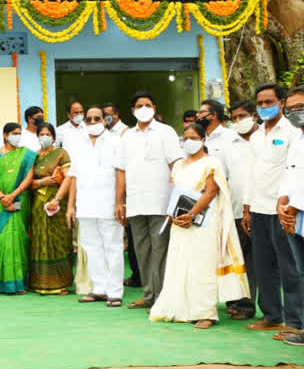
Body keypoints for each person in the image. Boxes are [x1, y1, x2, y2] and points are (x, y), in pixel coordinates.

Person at [150, 124, 249, 328]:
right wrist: (175, 216)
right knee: (179, 263)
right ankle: (177, 307)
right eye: (185, 138)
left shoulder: (211, 162)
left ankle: (206, 313)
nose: (188, 142)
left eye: (193, 137)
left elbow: (211, 192)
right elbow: (177, 193)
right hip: (180, 223)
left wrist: (192, 214)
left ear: (203, 140)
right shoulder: (179, 165)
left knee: (202, 266)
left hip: (204, 221)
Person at [243, 83, 303, 338]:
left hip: (282, 210)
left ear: (281, 103)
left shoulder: (292, 132)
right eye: (261, 103)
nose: (265, 107)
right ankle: (271, 315)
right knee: (263, 264)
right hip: (257, 208)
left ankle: (295, 320)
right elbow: (251, 173)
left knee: (289, 267)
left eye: (270, 102)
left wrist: (288, 204)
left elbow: (294, 172)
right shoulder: (256, 135)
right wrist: (246, 207)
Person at [115, 92, 182, 310]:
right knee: (142, 251)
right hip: (135, 203)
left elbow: (176, 165)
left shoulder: (166, 132)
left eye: (147, 104)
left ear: (154, 107)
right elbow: (121, 171)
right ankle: (148, 294)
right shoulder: (127, 136)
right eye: (139, 105)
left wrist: (177, 199)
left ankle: (161, 297)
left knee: (160, 250)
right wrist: (119, 202)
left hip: (161, 202)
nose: (143, 108)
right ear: (132, 111)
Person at [53, 107, 124, 306]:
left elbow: (121, 173)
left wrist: (119, 202)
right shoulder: (78, 143)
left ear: (105, 119)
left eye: (97, 118)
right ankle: (99, 289)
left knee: (113, 247)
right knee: (91, 248)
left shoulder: (116, 141)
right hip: (85, 204)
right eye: (89, 119)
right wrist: (70, 206)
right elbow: (73, 176)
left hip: (109, 204)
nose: (93, 122)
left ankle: (115, 292)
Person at [0, 122, 37, 294]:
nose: (17, 136)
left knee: (19, 240)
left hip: (19, 200)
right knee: (2, 242)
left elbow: (29, 177)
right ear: (5, 135)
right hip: (0, 202)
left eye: (19, 133)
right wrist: (2, 196)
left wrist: (12, 195)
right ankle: (1, 284)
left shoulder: (27, 154)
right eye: (14, 133)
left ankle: (19, 284)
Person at [221, 100, 259, 320]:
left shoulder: (263, 139)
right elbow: (223, 178)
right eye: (234, 118)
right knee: (242, 260)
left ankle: (266, 307)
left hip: (264, 210)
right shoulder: (229, 144)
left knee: (262, 262)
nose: (238, 121)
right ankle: (243, 303)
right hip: (235, 210)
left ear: (254, 116)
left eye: (242, 116)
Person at [28, 123, 73, 295]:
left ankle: (62, 283)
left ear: (54, 137)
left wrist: (56, 199)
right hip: (38, 205)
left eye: (48, 134)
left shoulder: (61, 153)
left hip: (57, 205)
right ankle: (40, 282)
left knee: (58, 240)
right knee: (40, 240)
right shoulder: (33, 157)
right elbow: (27, 182)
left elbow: (68, 178)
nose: (44, 137)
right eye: (41, 134)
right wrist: (42, 182)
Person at [277, 86, 304, 346]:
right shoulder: (297, 139)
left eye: (301, 107)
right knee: (301, 272)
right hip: (295, 217)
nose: (296, 113)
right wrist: (282, 201)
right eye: (292, 109)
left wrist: (293, 206)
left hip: (298, 211)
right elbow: (290, 174)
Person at [103, 102, 139, 288]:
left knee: (132, 236)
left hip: (125, 189)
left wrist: (122, 197)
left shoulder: (126, 132)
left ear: (116, 114)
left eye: (109, 114)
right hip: (108, 189)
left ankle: (137, 274)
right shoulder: (103, 132)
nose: (106, 118)